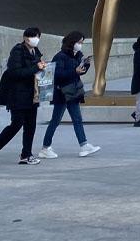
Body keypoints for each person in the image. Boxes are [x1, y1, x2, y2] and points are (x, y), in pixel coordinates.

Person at [0, 27, 47, 165]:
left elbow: (36, 69)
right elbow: (15, 73)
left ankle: (26, 155)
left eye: (38, 36)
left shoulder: (36, 51)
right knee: (16, 124)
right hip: (17, 95)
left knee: (31, 126)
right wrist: (36, 67)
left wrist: (42, 67)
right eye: (33, 36)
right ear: (25, 38)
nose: (36, 39)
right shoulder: (18, 51)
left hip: (33, 95)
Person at [38, 31, 101, 159]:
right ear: (72, 42)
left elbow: (78, 73)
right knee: (55, 120)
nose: (80, 45)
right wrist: (74, 71)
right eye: (79, 42)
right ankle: (45, 147)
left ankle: (84, 145)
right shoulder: (60, 56)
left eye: (82, 43)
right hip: (62, 93)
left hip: (73, 92)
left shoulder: (77, 55)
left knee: (77, 119)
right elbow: (58, 75)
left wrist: (85, 65)